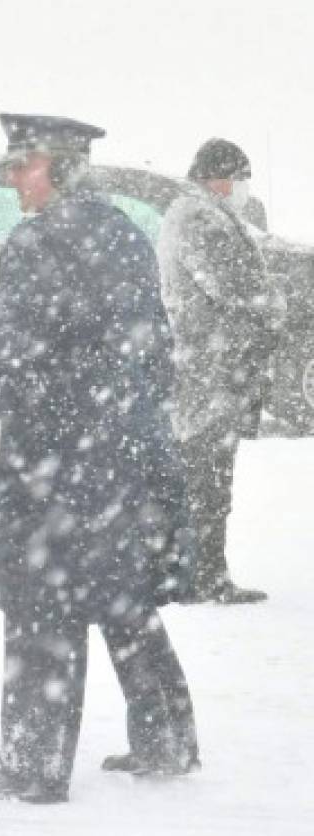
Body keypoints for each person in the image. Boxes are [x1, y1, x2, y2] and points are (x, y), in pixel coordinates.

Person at [0, 114, 199, 803]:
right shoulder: (122, 231)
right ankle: (165, 742)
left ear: (57, 168)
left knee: (40, 603)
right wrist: (139, 423)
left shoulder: (36, 239)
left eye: (19, 165)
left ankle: (32, 767)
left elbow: (4, 351)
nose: (9, 177)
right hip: (124, 447)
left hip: (56, 452)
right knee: (120, 595)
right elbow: (155, 343)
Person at [157, 139, 283, 604]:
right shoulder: (199, 218)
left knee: (203, 478)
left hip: (209, 369)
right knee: (205, 482)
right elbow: (237, 288)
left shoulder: (199, 215)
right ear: (223, 179)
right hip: (207, 371)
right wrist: (272, 303)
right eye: (243, 179)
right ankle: (201, 577)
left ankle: (192, 573)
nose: (246, 190)